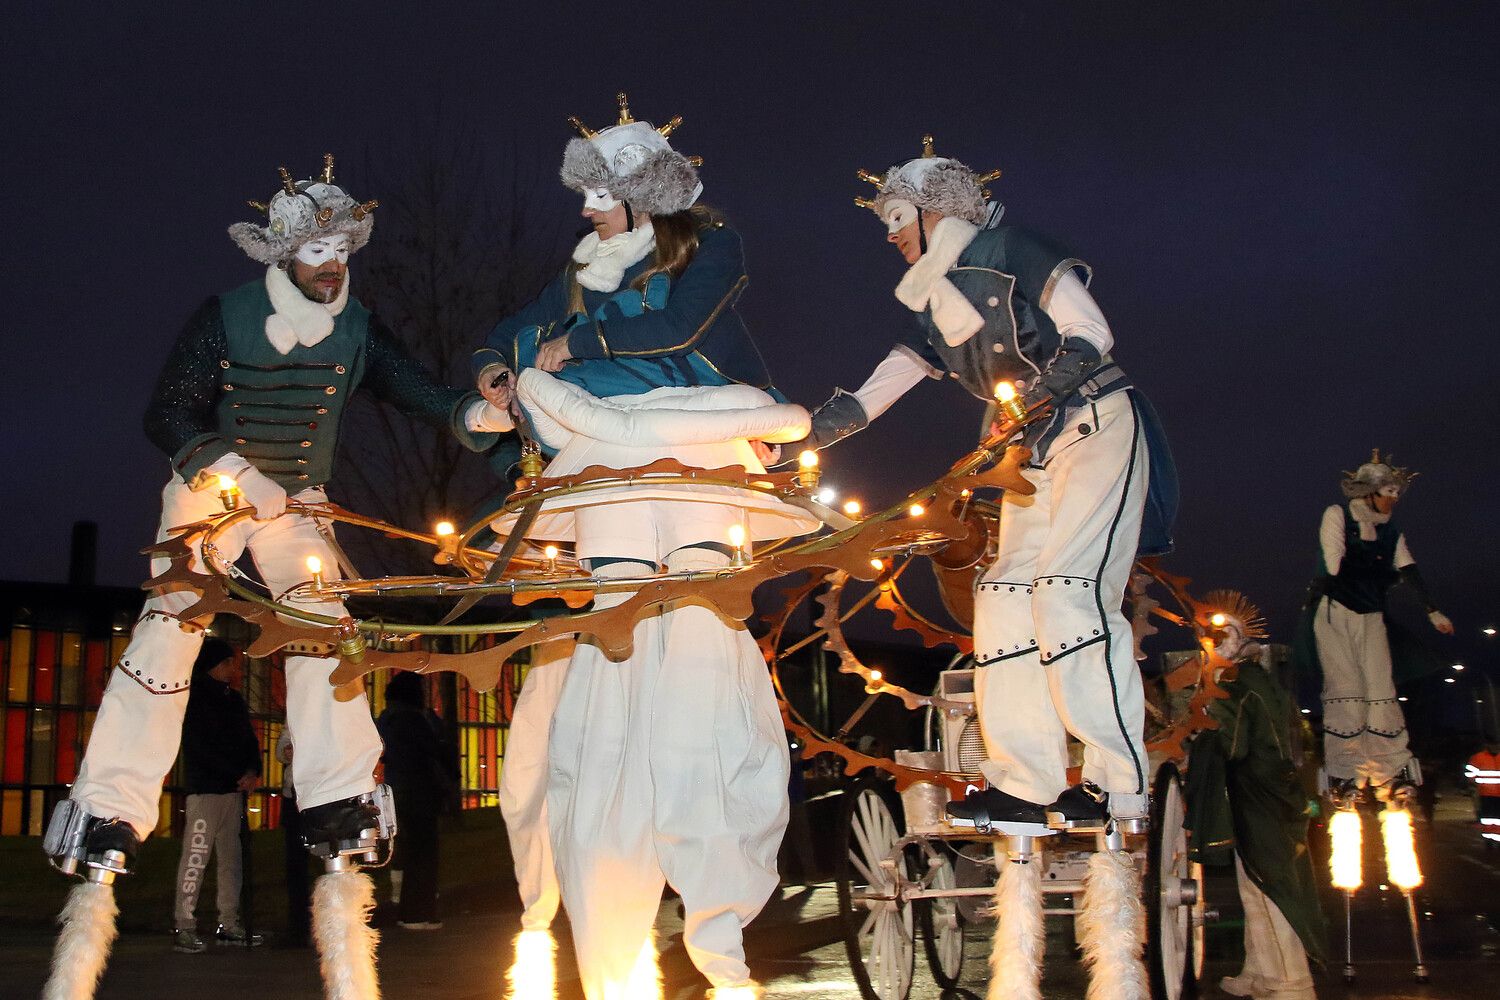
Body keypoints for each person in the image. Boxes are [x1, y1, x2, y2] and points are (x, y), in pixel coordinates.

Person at [46, 153, 500, 881]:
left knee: (323, 627)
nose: (332, 264)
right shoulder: (224, 317)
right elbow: (166, 412)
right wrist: (235, 470)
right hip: (211, 489)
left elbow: (413, 386)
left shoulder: (357, 328)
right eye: (318, 250)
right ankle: (107, 808)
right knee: (172, 626)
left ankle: (339, 798)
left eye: (342, 250)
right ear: (287, 254)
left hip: (297, 502)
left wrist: (470, 410)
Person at [472, 94, 811, 1000]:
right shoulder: (580, 271)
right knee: (610, 651)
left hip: (698, 446)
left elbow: (679, 330)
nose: (583, 213)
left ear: (640, 196)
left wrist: (568, 350)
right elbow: (509, 331)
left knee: (700, 642)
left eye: (597, 196)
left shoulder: (712, 245)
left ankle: (719, 926)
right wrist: (499, 372)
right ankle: (610, 939)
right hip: (602, 457)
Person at [803, 135, 1177, 834]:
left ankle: (1118, 782)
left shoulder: (1013, 250)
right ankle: (1024, 785)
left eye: (895, 218)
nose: (891, 237)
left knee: (1069, 591)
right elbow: (876, 392)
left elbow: (1091, 331)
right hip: (1021, 453)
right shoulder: (936, 301)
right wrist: (799, 435)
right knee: (1003, 597)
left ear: (935, 211)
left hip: (1092, 423)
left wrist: (1042, 397)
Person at [1187, 594, 1325, 1000]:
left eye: (1218, 634)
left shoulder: (1237, 681)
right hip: (1267, 791)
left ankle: (1291, 983)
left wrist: (1197, 738)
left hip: (1260, 794)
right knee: (1254, 885)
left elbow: (1232, 745)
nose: (1210, 642)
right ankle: (1260, 971)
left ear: (1237, 637)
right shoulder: (1253, 677)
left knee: (1268, 886)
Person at [1302, 451, 1453, 803]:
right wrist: (1382, 573)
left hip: (1370, 615)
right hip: (1335, 612)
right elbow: (1335, 566)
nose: (1393, 500)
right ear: (1367, 492)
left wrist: (1432, 611)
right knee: (1348, 687)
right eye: (1388, 492)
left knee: (1380, 687)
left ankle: (1391, 768)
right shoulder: (1337, 516)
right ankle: (1345, 770)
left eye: (1396, 494)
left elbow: (1408, 568)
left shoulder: (1390, 532)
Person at [171, 639, 264, 953]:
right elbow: (200, 748)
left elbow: (249, 740)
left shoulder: (233, 700)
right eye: (227, 663)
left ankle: (229, 922)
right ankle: (184, 924)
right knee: (196, 858)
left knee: (231, 861)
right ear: (211, 664)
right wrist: (235, 774)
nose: (233, 669)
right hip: (206, 791)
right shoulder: (195, 700)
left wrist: (253, 770)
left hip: (232, 793)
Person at [376, 673, 457, 929]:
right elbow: (434, 748)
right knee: (424, 851)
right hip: (420, 790)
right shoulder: (414, 719)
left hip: (399, 790)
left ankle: (410, 909)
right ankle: (418, 912)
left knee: (411, 851)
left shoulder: (387, 719)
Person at [274, 725, 311, 946]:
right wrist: (287, 749)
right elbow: (281, 749)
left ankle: (304, 927)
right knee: (296, 865)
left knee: (306, 862)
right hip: (295, 793)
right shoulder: (295, 707)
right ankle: (298, 927)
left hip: (314, 790)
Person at [1467, 738, 1500, 846]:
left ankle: (1497, 838)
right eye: (1493, 744)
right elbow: (1470, 773)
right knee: (1488, 818)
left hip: (1497, 794)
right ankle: (1488, 840)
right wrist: (1475, 783)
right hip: (1486, 794)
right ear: (1487, 745)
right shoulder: (1478, 757)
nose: (1495, 747)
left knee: (1497, 817)